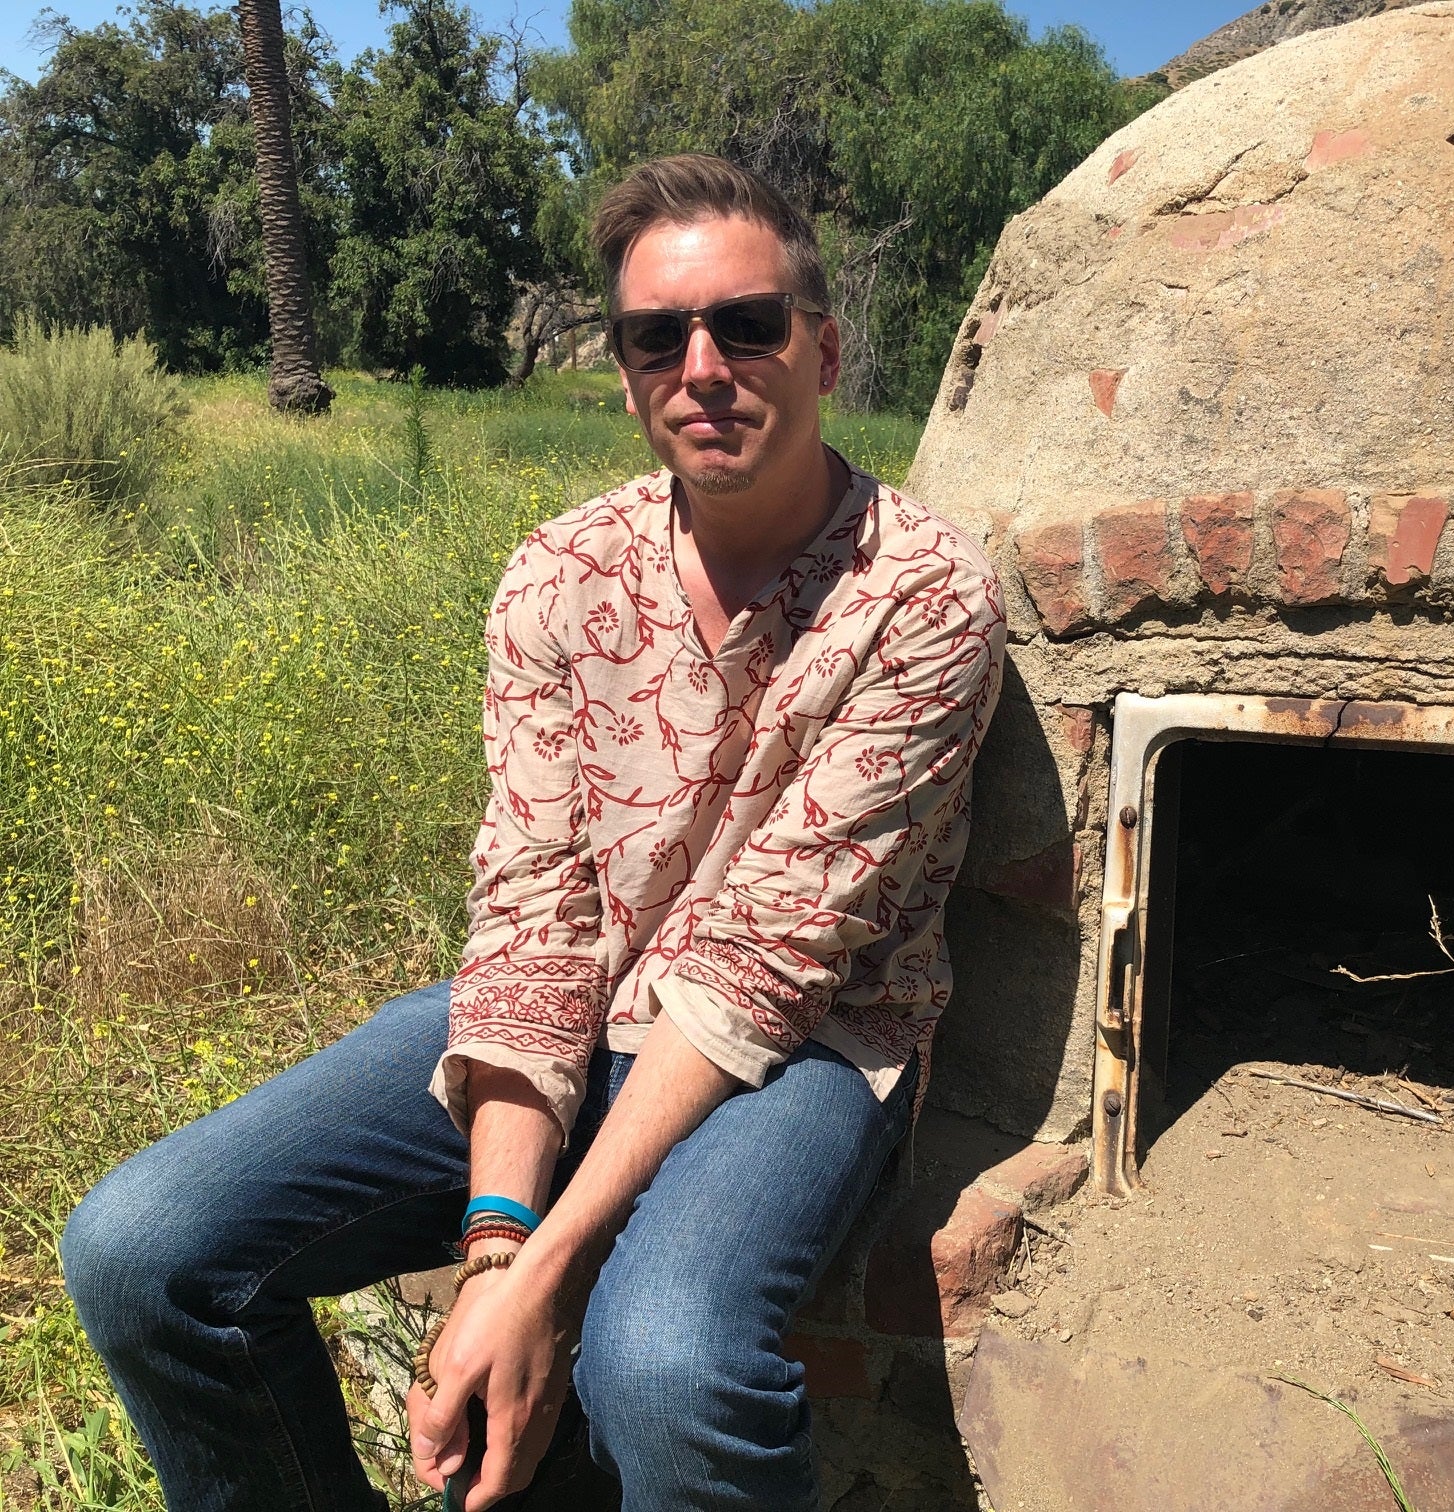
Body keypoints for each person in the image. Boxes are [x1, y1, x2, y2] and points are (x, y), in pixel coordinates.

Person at [61, 152, 1006, 1512]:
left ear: (825, 347)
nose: (704, 367)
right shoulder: (560, 575)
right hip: (576, 1005)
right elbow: (536, 909)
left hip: (806, 1044)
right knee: (142, 1246)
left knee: (668, 1368)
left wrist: (547, 1284)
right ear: (622, 370)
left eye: (747, 325)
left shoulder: (920, 596)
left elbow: (768, 964)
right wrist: (501, 1245)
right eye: (655, 337)